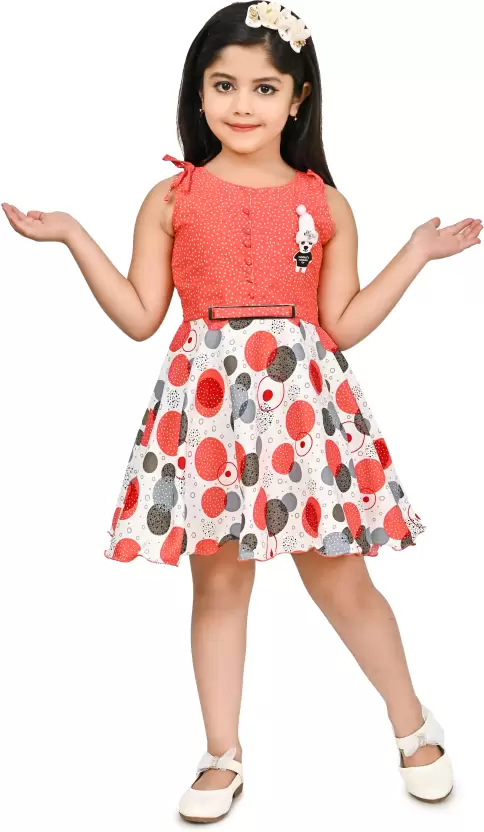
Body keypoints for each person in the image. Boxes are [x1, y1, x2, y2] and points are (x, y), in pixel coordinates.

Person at [2, 0, 481, 823]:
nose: (242, 104)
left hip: (300, 413)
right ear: (198, 91)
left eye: (265, 88)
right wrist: (75, 235)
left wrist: (416, 255)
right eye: (223, 84)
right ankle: (221, 753)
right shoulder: (172, 196)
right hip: (209, 412)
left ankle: (413, 725)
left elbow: (341, 325)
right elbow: (141, 315)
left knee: (342, 581)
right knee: (219, 583)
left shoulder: (323, 203)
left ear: (298, 98)